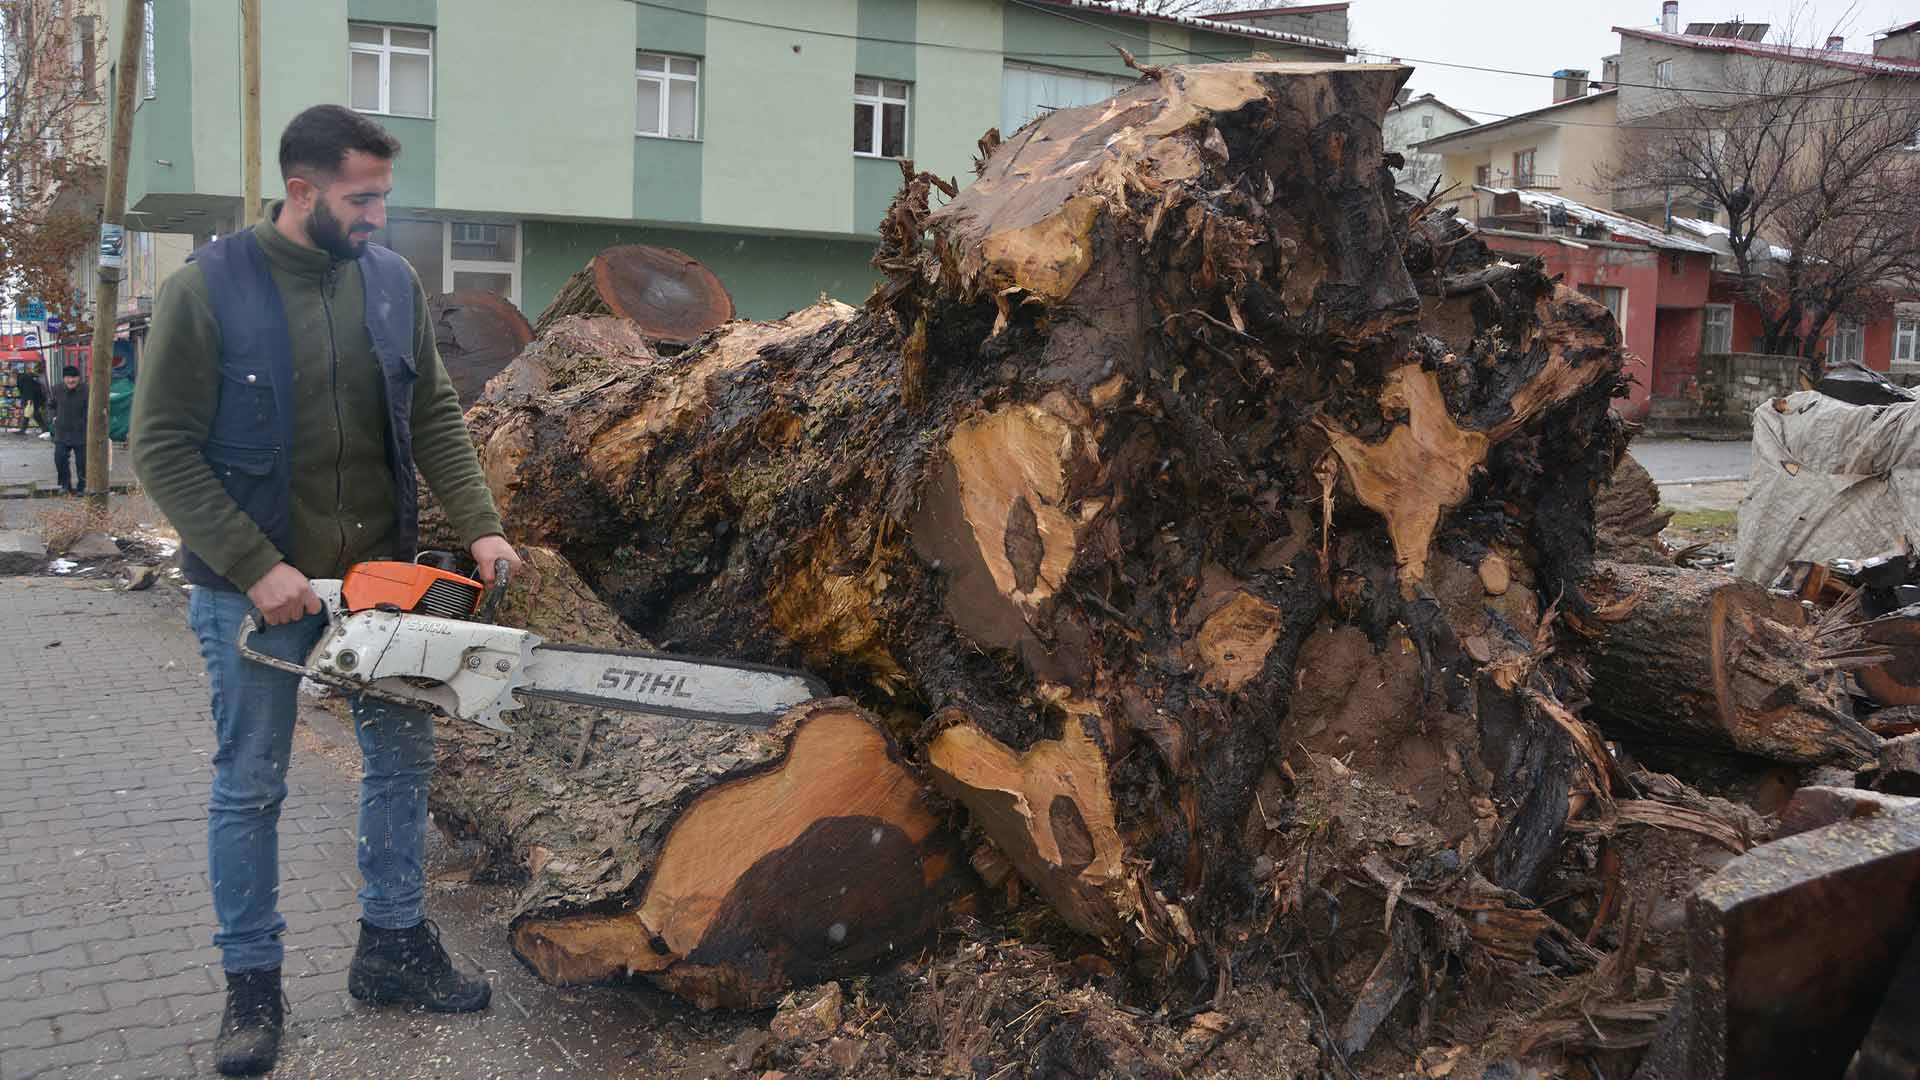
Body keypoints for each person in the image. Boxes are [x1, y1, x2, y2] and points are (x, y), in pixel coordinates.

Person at [132, 105, 523, 1077]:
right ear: (301, 188)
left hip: (378, 585)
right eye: (363, 196)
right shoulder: (207, 290)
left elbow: (432, 408)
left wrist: (479, 522)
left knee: (401, 765)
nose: (380, 216)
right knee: (252, 783)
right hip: (251, 592)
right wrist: (252, 563)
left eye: (385, 194)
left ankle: (392, 946)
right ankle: (252, 986)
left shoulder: (389, 284)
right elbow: (161, 446)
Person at [47, 365, 86, 493]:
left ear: (79, 378)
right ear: (64, 378)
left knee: (82, 462)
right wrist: (53, 417)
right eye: (68, 378)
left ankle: (82, 486)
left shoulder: (87, 390)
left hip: (81, 432)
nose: (71, 381)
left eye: (74, 378)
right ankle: (65, 485)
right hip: (62, 431)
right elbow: (51, 405)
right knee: (60, 459)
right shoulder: (56, 389)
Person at [14, 367, 47, 434]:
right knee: (32, 414)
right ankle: (45, 429)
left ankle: (45, 429)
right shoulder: (23, 377)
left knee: (31, 413)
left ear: (14, 374)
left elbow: (27, 390)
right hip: (35, 397)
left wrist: (29, 399)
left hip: (32, 398)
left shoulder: (22, 379)